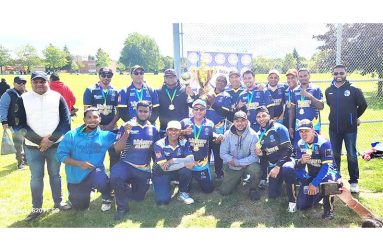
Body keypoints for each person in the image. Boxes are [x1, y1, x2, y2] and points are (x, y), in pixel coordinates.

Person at [17, 71, 71, 221]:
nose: (39, 84)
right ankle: (36, 208)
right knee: (36, 177)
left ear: (48, 82)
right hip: (32, 147)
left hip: (54, 145)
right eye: (36, 81)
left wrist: (51, 140)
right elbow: (19, 125)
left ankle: (58, 202)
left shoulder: (57, 97)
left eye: (42, 81)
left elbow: (66, 122)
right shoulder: (23, 99)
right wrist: (39, 141)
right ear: (31, 82)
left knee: (55, 175)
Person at [56, 107, 117, 211]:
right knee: (80, 208)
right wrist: (79, 163)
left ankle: (107, 194)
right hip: (76, 175)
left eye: (95, 117)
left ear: (100, 119)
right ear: (84, 120)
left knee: (101, 179)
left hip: (95, 172)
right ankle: (83, 192)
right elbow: (61, 155)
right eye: (89, 117)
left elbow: (123, 139)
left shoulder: (106, 135)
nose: (92, 120)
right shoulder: (71, 135)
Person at [111, 101, 160, 220]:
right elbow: (117, 149)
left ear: (150, 112)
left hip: (143, 168)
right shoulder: (127, 125)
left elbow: (155, 152)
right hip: (126, 164)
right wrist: (126, 134)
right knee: (116, 175)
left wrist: (156, 170)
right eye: (140, 111)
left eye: (145, 111)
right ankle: (122, 207)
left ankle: (126, 188)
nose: (143, 114)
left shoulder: (153, 129)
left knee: (138, 197)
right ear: (136, 111)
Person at [325, 65, 367, 193]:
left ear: (346, 73)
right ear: (333, 74)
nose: (338, 75)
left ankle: (354, 181)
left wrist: (353, 117)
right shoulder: (329, 90)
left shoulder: (354, 89)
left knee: (351, 154)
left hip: (350, 129)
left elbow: (363, 105)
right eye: (336, 73)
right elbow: (329, 104)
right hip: (334, 129)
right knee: (335, 154)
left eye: (341, 73)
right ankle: (336, 179)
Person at [295, 119, 341, 219]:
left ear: (312, 130)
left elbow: (326, 167)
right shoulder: (300, 143)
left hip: (328, 172)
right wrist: (304, 178)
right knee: (301, 206)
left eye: (306, 131)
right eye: (301, 131)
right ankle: (319, 194)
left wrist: (314, 183)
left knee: (328, 183)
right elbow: (299, 167)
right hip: (313, 173)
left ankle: (328, 210)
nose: (303, 134)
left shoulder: (324, 143)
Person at [254, 106, 297, 212]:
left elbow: (289, 149)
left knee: (288, 169)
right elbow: (266, 155)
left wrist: (278, 166)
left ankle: (293, 201)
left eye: (264, 115)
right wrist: (261, 154)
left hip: (287, 161)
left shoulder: (279, 128)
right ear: (256, 119)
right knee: (273, 195)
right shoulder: (259, 134)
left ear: (269, 116)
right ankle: (284, 182)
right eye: (258, 117)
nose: (261, 118)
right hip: (274, 166)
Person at [83, 68, 120, 169]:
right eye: (103, 75)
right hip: (95, 129)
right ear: (99, 75)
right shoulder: (90, 90)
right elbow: (86, 112)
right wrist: (98, 125)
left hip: (112, 129)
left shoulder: (116, 91)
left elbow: (119, 111)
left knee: (115, 157)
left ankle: (114, 181)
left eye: (109, 75)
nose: (106, 78)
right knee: (95, 157)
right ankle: (98, 181)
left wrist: (110, 125)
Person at [219, 111, 261, 200]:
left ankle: (253, 189)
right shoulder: (227, 134)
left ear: (246, 121)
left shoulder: (254, 135)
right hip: (232, 165)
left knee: (255, 168)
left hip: (247, 165)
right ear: (233, 122)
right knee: (224, 192)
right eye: (237, 121)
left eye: (242, 120)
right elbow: (223, 153)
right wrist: (231, 160)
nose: (240, 123)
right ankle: (236, 180)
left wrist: (238, 162)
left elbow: (254, 156)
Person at [152, 120, 195, 205]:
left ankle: (182, 193)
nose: (173, 132)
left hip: (177, 170)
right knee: (162, 201)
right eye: (171, 129)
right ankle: (165, 184)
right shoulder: (159, 144)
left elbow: (191, 159)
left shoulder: (184, 141)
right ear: (167, 131)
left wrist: (174, 160)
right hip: (162, 172)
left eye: (176, 130)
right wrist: (184, 163)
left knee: (186, 171)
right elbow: (165, 167)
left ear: (180, 132)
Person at [180, 99, 218, 194]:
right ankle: (184, 178)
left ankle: (196, 177)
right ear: (192, 110)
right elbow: (171, 135)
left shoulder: (210, 124)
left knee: (208, 190)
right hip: (187, 162)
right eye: (196, 109)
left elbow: (213, 139)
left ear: (205, 111)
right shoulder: (184, 122)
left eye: (201, 109)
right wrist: (183, 132)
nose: (198, 111)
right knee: (186, 188)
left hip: (201, 163)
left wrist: (217, 139)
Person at [290, 68, 324, 148]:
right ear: (298, 77)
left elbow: (321, 106)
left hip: (313, 124)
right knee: (300, 147)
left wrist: (309, 96)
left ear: (309, 76)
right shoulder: (294, 91)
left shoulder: (316, 89)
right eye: (301, 76)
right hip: (299, 125)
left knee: (315, 147)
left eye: (305, 75)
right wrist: (291, 127)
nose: (303, 78)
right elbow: (292, 110)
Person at [206, 74, 231, 179]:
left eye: (223, 81)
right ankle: (204, 171)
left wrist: (213, 103)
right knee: (205, 149)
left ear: (226, 84)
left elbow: (225, 113)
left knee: (217, 151)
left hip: (218, 127)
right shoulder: (207, 93)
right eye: (218, 80)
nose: (220, 82)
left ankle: (219, 172)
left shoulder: (226, 96)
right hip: (205, 127)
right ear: (215, 82)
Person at [0, 76, 28, 169]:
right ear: (14, 84)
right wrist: (4, 121)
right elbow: (2, 108)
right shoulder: (8, 94)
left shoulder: (27, 94)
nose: (21, 85)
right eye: (19, 83)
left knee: (26, 142)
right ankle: (20, 162)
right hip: (15, 124)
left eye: (23, 83)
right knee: (18, 143)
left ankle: (26, 160)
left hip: (27, 123)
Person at [156, 68, 193, 137]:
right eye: (167, 77)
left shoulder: (184, 90)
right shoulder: (158, 92)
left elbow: (193, 106)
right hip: (165, 129)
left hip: (182, 129)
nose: (170, 79)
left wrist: (192, 95)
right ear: (164, 78)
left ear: (176, 77)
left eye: (172, 76)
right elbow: (155, 111)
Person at [283, 69, 299, 140]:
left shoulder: (301, 90)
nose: (290, 80)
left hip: (298, 120)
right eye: (288, 78)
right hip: (287, 121)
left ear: (297, 78)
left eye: (293, 78)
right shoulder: (286, 91)